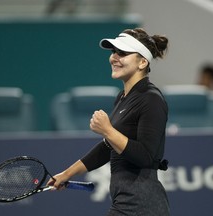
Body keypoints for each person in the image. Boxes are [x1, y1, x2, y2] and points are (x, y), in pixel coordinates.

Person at [47, 28, 170, 216]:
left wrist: (108, 130)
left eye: (122, 53)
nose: (114, 57)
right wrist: (66, 174)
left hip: (142, 205)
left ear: (142, 62)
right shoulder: (123, 97)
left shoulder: (151, 99)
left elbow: (146, 156)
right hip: (127, 201)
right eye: (113, 52)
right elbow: (107, 147)